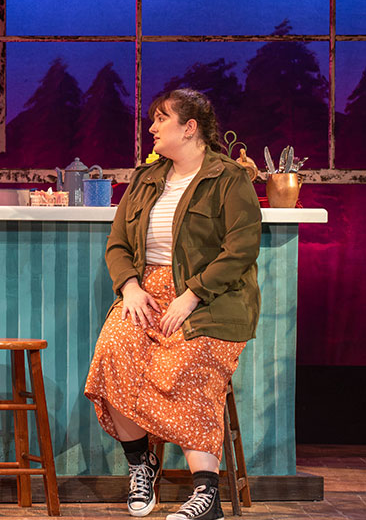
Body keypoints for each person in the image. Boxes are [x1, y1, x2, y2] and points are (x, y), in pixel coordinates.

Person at [84, 88, 261, 520]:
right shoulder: (146, 180)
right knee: (113, 353)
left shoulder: (227, 178)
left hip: (210, 298)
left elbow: (242, 248)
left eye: (161, 119)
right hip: (146, 293)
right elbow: (118, 243)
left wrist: (193, 293)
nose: (152, 127)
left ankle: (206, 495)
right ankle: (140, 465)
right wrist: (128, 286)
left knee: (190, 364)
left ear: (190, 127)